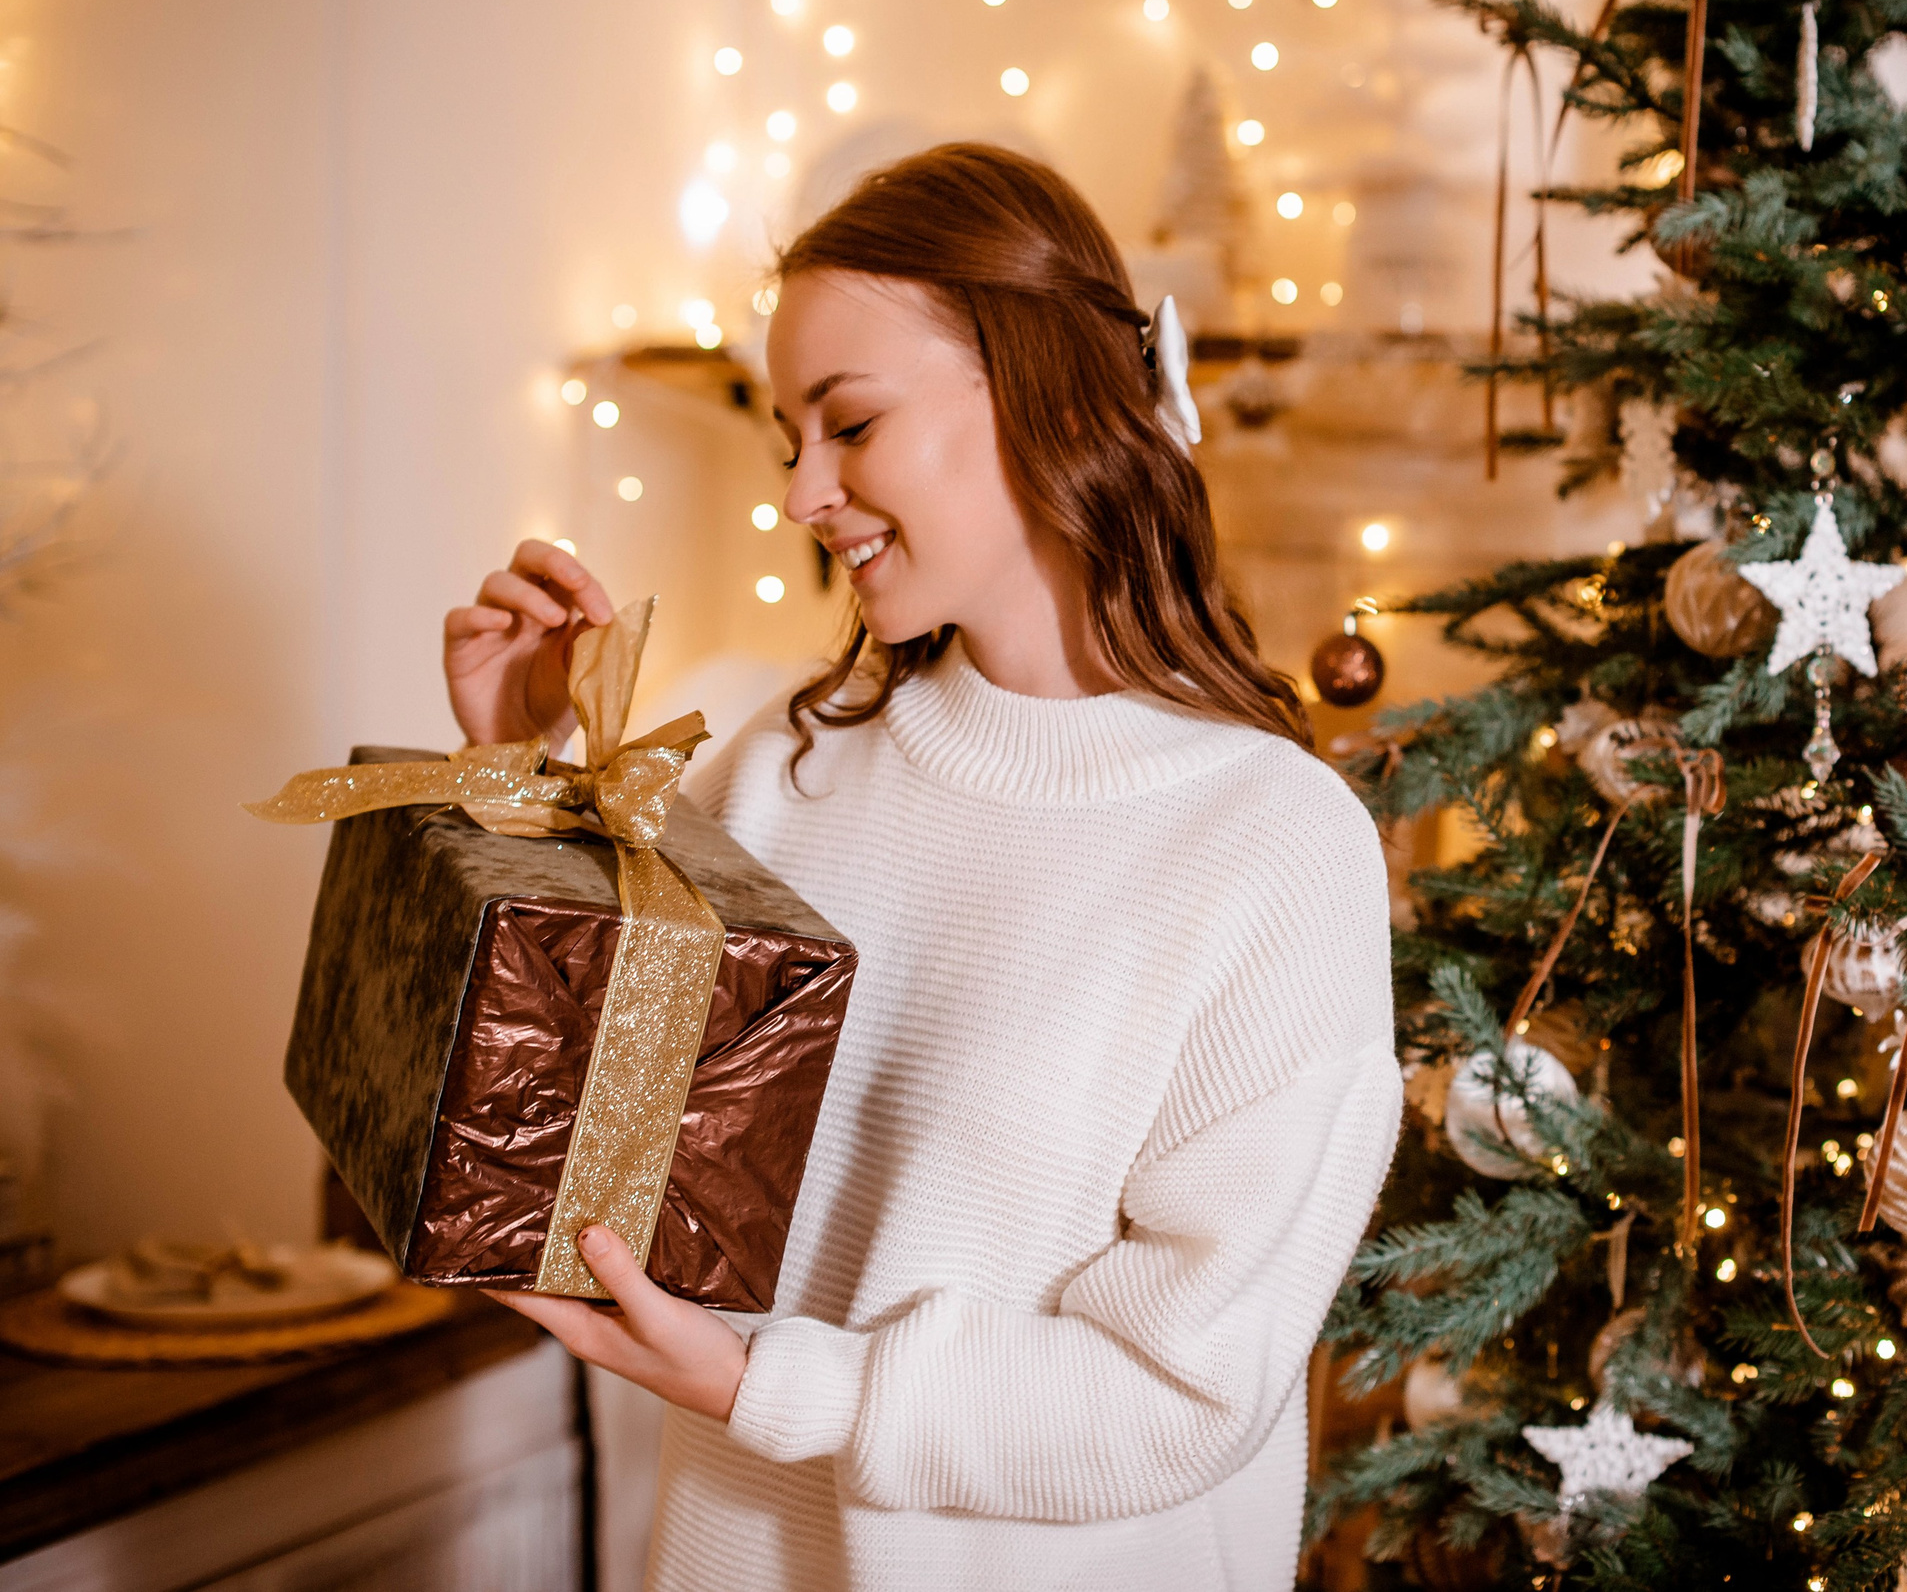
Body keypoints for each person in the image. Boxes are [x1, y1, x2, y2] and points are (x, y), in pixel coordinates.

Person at [442, 143, 1401, 1590]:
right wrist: (515, 771)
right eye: (788, 441)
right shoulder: (782, 759)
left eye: (851, 423)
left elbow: (1182, 1392)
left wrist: (773, 1388)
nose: (803, 494)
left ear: (1045, 394)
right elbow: (573, 1133)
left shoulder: (1271, 842)